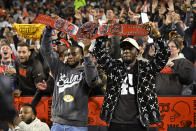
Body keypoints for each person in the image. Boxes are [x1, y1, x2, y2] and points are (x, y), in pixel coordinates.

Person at [84, 22, 171, 131]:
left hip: (139, 123)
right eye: (124, 48)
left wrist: (156, 34)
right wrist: (104, 32)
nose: (126, 51)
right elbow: (98, 51)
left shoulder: (147, 68)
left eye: (130, 48)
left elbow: (164, 54)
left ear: (137, 52)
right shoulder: (114, 67)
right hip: (115, 122)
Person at [38, 26, 99, 131]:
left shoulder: (86, 71)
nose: (70, 56)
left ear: (81, 56)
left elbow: (93, 80)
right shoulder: (59, 68)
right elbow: (46, 51)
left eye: (74, 54)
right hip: (57, 123)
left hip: (77, 126)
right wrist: (48, 30)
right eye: (68, 54)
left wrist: (86, 54)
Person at [15, 42, 47, 107]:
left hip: (35, 98)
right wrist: (17, 89)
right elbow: (18, 78)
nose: (21, 55)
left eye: (24, 52)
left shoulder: (36, 66)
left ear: (29, 53)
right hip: (23, 96)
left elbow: (40, 89)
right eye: (19, 52)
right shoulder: (17, 61)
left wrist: (32, 106)